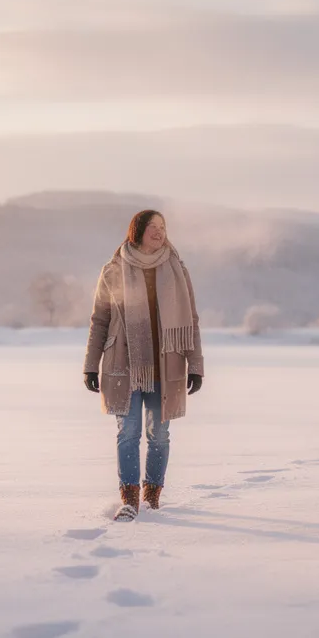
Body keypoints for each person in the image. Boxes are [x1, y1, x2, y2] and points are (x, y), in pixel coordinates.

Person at [83, 210, 204, 521]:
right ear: (137, 232)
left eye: (163, 227)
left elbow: (190, 320)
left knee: (159, 435)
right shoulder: (113, 270)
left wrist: (195, 365)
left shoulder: (177, 269)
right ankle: (130, 501)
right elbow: (100, 320)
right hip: (124, 364)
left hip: (167, 365)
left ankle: (152, 498)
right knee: (128, 433)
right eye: (154, 228)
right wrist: (91, 366)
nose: (160, 233)